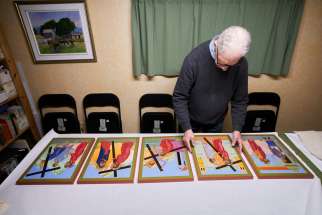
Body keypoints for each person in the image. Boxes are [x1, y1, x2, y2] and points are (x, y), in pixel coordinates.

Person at [173, 26, 251, 152]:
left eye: (231, 65)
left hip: (216, 122)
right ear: (217, 46)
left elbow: (240, 100)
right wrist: (187, 128)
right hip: (189, 121)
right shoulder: (194, 59)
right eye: (223, 63)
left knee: (212, 157)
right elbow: (179, 97)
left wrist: (237, 129)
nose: (225, 69)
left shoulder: (241, 64)